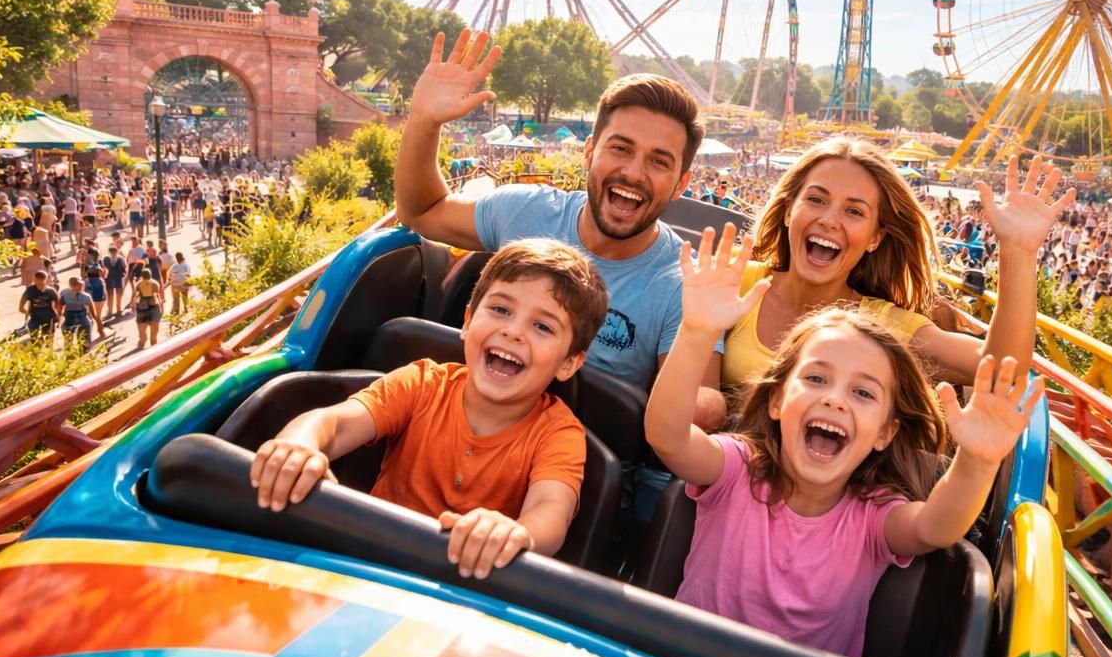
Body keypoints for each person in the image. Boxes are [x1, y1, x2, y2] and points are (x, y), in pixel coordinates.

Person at [643, 225, 1043, 657]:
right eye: (816, 379)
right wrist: (697, 332)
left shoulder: (872, 518)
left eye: (863, 393)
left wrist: (978, 460)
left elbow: (937, 526)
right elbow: (668, 437)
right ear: (776, 400)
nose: (834, 400)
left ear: (885, 433)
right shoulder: (737, 467)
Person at [250, 239, 609, 579]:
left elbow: (551, 510)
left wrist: (517, 533)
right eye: (500, 309)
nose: (513, 331)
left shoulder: (559, 433)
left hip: (465, 591)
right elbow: (334, 422)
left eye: (542, 326)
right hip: (366, 564)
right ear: (468, 322)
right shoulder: (423, 383)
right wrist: (300, 444)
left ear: (569, 363)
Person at [395, 30, 713, 396]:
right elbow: (421, 210)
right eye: (621, 148)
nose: (633, 173)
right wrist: (424, 121)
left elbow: (701, 403)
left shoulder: (682, 285)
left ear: (680, 183)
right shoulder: (528, 212)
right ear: (590, 152)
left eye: (658, 161)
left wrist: (699, 400)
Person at [721, 141, 1069, 398]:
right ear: (787, 212)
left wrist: (1018, 253)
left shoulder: (883, 325)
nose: (829, 220)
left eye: (854, 212)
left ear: (875, 238)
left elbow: (1000, 371)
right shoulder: (734, 279)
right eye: (815, 200)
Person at [19, 269, 60, 343]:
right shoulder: (31, 290)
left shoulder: (51, 291)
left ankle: (45, 350)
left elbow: (58, 304)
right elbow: (22, 304)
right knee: (37, 338)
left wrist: (57, 316)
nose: (40, 282)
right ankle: (40, 348)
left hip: (48, 317)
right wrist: (25, 311)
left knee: (47, 339)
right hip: (36, 317)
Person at [132, 265, 164, 350]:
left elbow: (135, 296)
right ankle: (154, 355)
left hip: (142, 308)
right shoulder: (155, 283)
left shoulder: (138, 284)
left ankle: (139, 357)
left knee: (142, 338)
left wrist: (133, 307)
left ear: (142, 276)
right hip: (153, 306)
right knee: (153, 338)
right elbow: (158, 296)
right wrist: (162, 309)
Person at [59, 276, 94, 349]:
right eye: (77, 286)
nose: (80, 288)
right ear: (71, 286)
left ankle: (85, 355)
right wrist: (59, 318)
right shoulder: (65, 295)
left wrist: (94, 318)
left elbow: (92, 309)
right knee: (68, 343)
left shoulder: (86, 296)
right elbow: (60, 306)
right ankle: (70, 356)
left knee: (84, 343)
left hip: (82, 318)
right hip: (69, 319)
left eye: (81, 286)